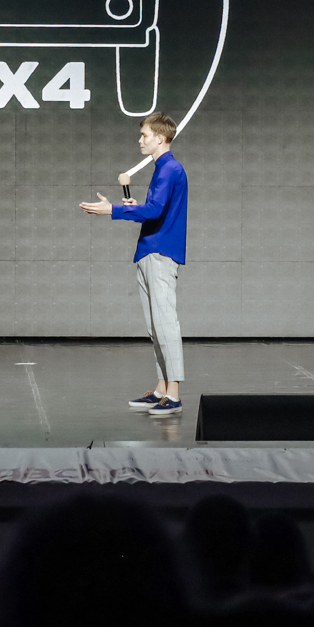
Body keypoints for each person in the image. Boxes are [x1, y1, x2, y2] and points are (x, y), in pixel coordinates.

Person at [80, 113, 188, 417]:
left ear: (160, 138)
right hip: (149, 251)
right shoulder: (163, 169)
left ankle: (174, 394)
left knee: (165, 323)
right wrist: (135, 208)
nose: (140, 140)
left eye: (145, 135)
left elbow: (154, 211)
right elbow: (153, 210)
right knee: (155, 327)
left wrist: (112, 210)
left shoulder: (171, 168)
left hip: (160, 252)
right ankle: (162, 389)